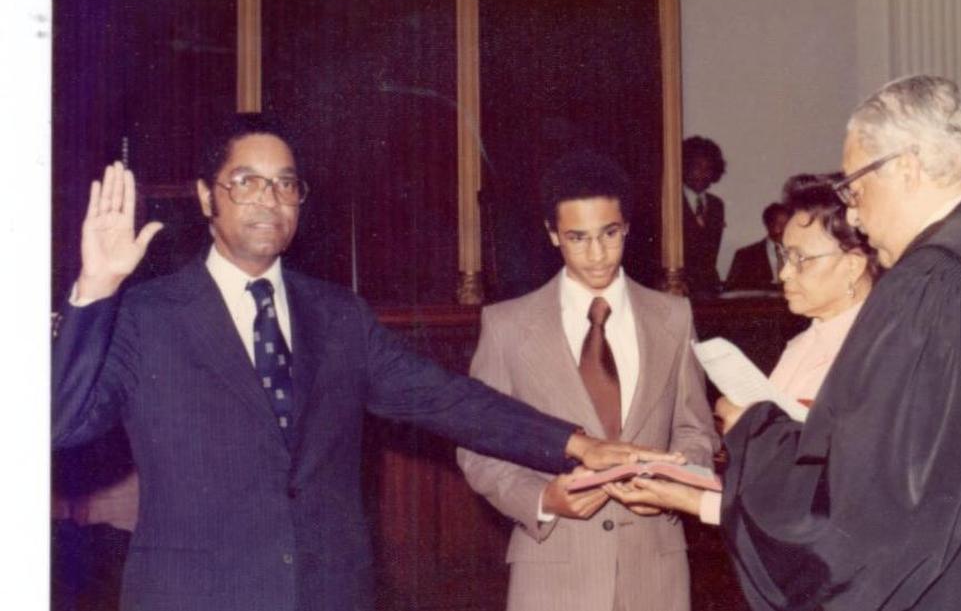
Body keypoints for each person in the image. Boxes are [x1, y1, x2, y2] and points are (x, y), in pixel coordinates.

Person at [51, 116, 682, 611]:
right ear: (205, 196)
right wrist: (95, 288)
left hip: (329, 596)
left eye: (285, 183)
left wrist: (576, 444)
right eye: (246, 181)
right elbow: (59, 424)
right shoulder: (146, 314)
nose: (269, 199)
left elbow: (447, 399)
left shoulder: (338, 315)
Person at [619, 75, 961, 611]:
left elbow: (868, 521)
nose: (854, 215)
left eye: (856, 191)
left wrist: (757, 433)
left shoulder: (931, 283)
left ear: (906, 167)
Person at [457, 150, 718, 611]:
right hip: (553, 567)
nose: (597, 254)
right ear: (552, 234)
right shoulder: (507, 326)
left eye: (609, 234)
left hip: (655, 570)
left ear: (627, 228)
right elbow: (478, 447)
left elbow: (696, 430)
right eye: (578, 238)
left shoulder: (674, 317)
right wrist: (542, 498)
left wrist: (673, 487)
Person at [604, 171, 879, 521]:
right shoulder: (802, 343)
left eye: (801, 259)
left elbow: (822, 503)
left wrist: (694, 494)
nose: (784, 274)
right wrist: (678, 482)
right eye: (784, 256)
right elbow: (766, 486)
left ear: (852, 265)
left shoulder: (875, 352)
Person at [681, 136, 727, 295]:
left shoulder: (717, 205)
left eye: (708, 168)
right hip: (677, 288)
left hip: (708, 289)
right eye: (697, 167)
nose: (703, 174)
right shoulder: (671, 204)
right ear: (684, 167)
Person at [724, 201, 790, 291]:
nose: (784, 230)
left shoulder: (802, 253)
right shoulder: (745, 256)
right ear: (768, 225)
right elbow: (731, 290)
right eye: (779, 224)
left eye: (788, 225)